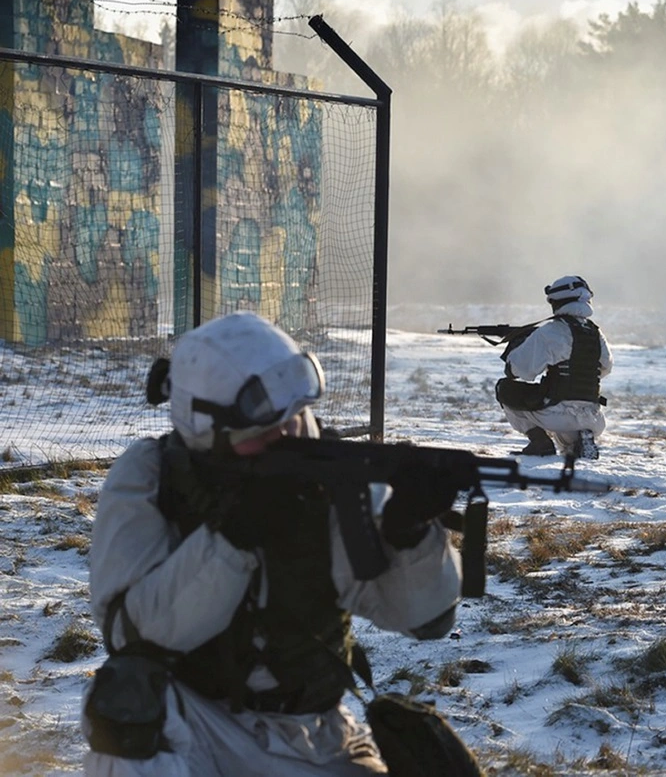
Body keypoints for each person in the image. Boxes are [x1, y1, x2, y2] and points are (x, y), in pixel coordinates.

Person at [82, 311, 467, 776]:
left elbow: (425, 620)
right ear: (207, 429)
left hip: (313, 733)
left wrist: (411, 535)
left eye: (294, 418)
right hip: (194, 723)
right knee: (125, 700)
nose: (287, 436)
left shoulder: (331, 475)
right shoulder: (152, 476)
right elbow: (131, 637)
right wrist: (232, 541)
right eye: (262, 430)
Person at [493, 275, 613, 459]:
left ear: (556, 301)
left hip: (556, 413)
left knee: (505, 389)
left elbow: (518, 370)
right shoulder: (596, 333)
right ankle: (581, 440)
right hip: (594, 417)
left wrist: (520, 344)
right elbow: (605, 368)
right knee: (568, 429)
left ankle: (540, 442)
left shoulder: (551, 331)